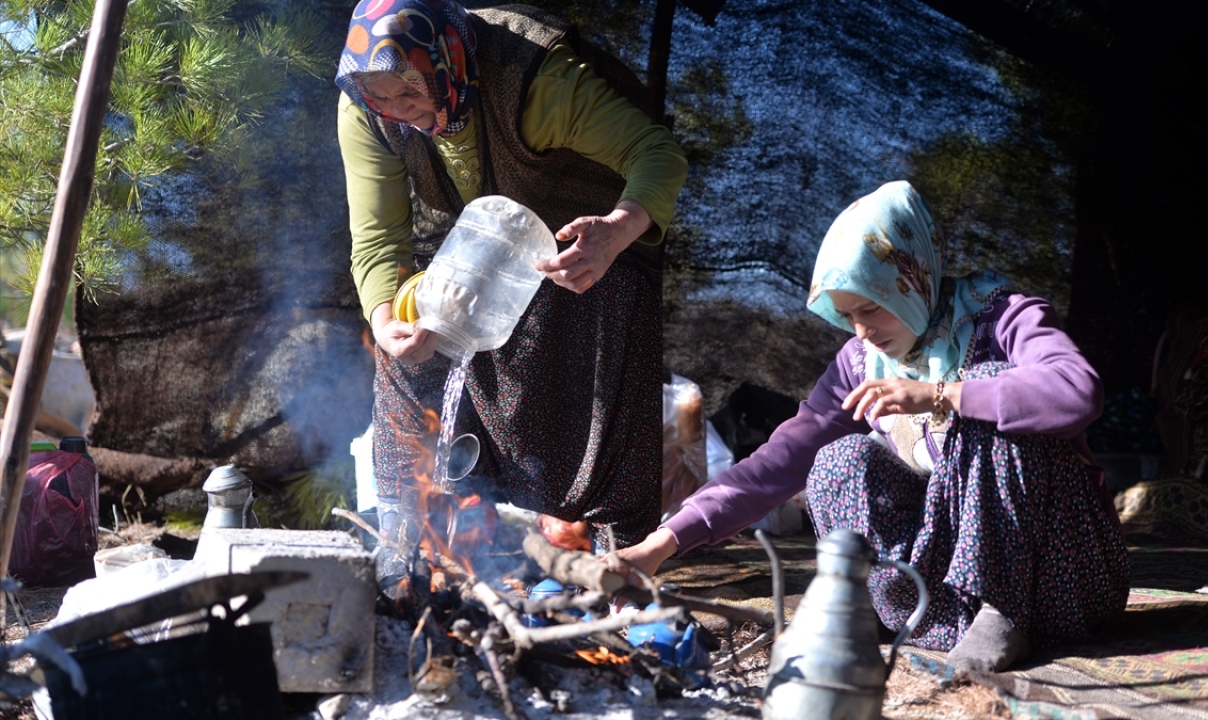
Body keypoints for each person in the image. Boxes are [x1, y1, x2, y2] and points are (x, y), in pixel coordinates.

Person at [615, 181, 1131, 672]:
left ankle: (1005, 613)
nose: (861, 329)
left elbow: (1078, 391)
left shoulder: (1003, 318)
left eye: (870, 306)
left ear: (912, 278)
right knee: (839, 459)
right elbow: (775, 465)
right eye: (846, 315)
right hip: (951, 602)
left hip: (1061, 579)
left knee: (989, 385)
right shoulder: (860, 363)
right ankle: (901, 613)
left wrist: (942, 395)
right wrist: (659, 545)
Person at [334, 0, 687, 584]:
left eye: (410, 94)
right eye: (381, 100)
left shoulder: (531, 80)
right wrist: (382, 316)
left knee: (596, 375)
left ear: (445, 64)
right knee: (406, 343)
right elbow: (377, 239)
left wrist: (618, 230)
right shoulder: (365, 112)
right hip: (487, 240)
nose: (397, 114)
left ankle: (618, 574)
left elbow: (657, 153)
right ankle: (405, 550)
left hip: (591, 243)